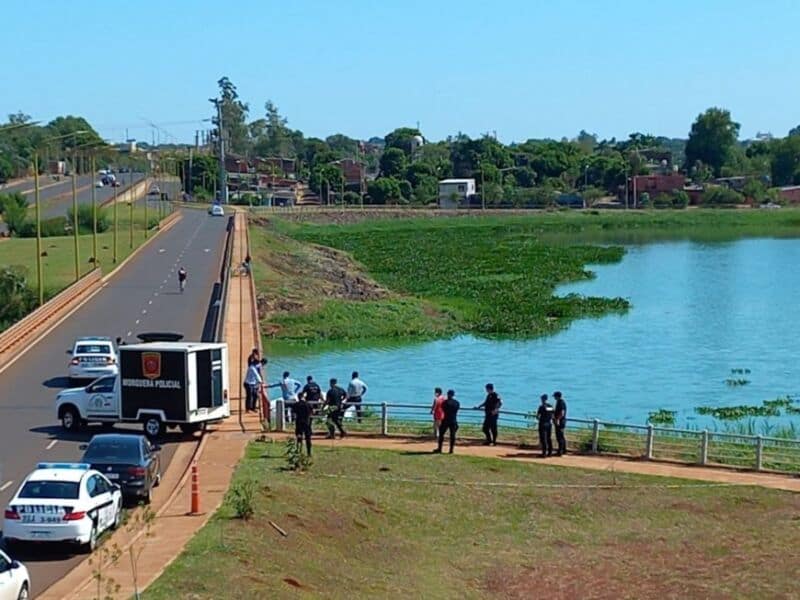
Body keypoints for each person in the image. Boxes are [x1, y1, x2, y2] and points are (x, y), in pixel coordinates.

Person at [434, 389, 460, 454]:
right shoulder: (457, 403)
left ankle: (440, 448)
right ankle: (451, 450)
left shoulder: (445, 402)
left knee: (441, 434)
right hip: (453, 420)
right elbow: (457, 410)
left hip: (446, 420)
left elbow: (443, 409)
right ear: (453, 395)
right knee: (452, 435)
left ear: (448, 394)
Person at [553, 391, 568, 456]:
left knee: (560, 436)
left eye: (554, 396)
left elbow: (562, 413)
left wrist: (557, 419)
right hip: (560, 421)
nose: (554, 397)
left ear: (557, 396)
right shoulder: (559, 402)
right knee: (560, 436)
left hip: (560, 422)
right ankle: (563, 450)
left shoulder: (561, 403)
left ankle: (560, 451)